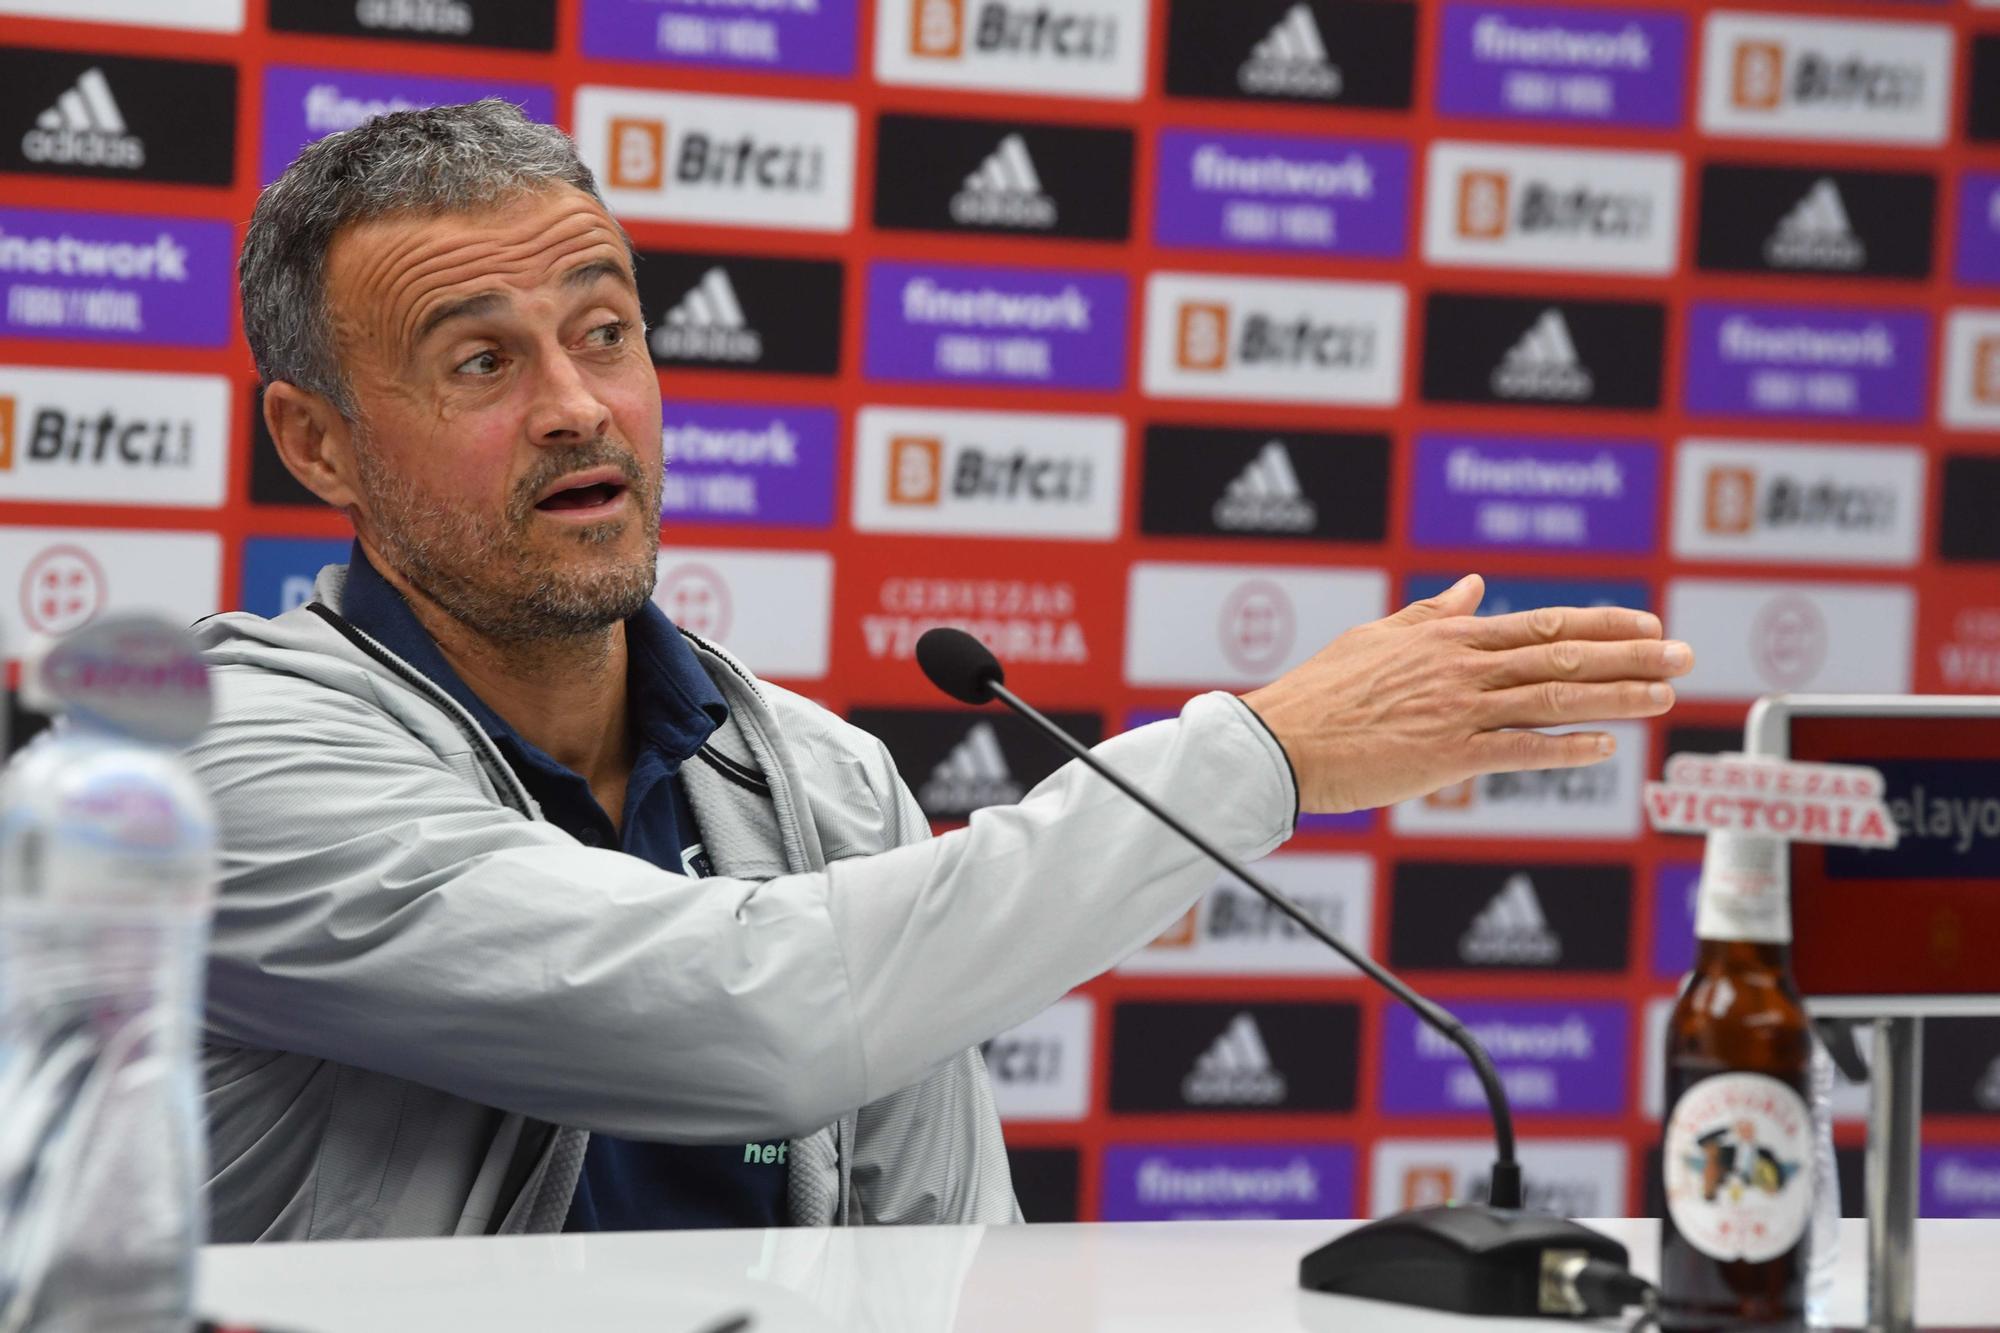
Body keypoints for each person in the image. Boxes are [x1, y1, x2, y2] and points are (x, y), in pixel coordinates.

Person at [195, 100, 1691, 1242]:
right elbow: (748, 1016)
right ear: (315, 441)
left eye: (608, 332)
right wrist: (1265, 756)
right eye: (482, 363)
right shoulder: (229, 764)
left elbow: (938, 1257)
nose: (580, 409)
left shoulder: (820, 779)